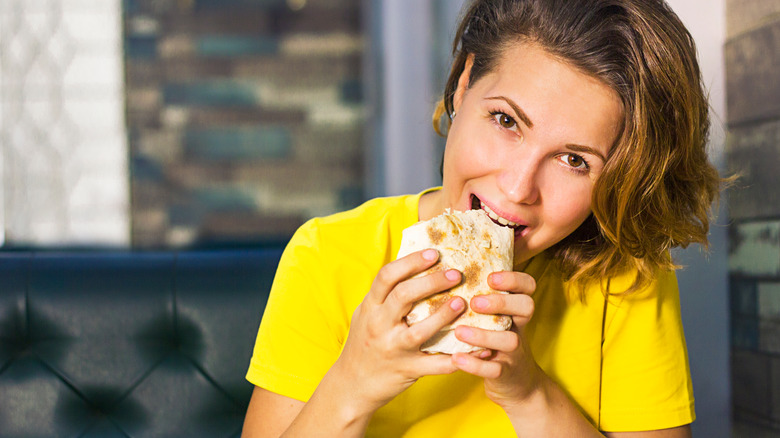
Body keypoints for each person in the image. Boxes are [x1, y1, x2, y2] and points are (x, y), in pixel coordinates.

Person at [242, 0, 722, 436]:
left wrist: (528, 391)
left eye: (574, 160)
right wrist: (356, 379)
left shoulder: (626, 279)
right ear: (465, 84)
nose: (517, 188)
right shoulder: (327, 255)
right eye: (506, 120)